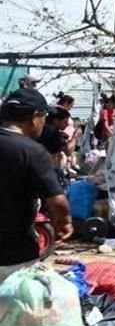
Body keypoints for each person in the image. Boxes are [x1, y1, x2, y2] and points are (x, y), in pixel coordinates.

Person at [0, 89, 72, 280]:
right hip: (14, 255)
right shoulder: (33, 151)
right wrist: (64, 222)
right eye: (44, 116)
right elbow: (57, 201)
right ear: (35, 117)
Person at [37, 107, 71, 189]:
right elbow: (68, 151)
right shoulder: (53, 131)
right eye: (65, 122)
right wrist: (75, 137)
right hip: (52, 168)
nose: (67, 125)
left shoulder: (41, 129)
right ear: (55, 120)